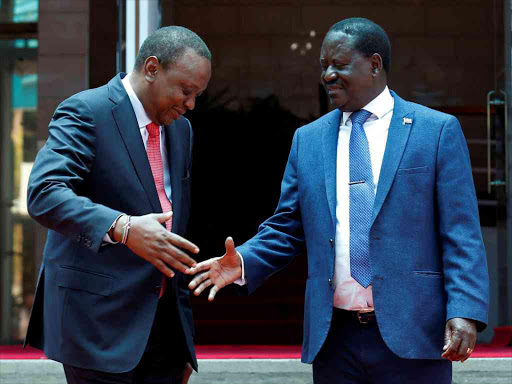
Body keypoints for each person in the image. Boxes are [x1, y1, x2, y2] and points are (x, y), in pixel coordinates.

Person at [187, 18, 489, 384]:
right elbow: (287, 227)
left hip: (414, 333)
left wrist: (464, 310)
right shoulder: (308, 140)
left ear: (375, 64)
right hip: (335, 340)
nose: (328, 75)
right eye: (323, 65)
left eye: (339, 64)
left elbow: (461, 232)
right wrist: (245, 262)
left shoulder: (435, 131)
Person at [24, 26, 211, 384]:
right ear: (152, 68)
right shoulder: (86, 111)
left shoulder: (181, 130)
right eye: (186, 91)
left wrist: (182, 341)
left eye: (197, 95)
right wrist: (123, 227)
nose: (190, 104)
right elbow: (44, 192)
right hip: (97, 325)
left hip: (162, 331)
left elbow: (172, 231)